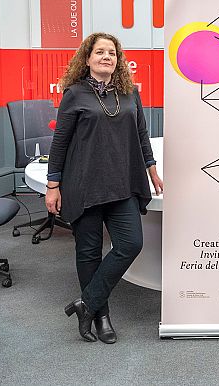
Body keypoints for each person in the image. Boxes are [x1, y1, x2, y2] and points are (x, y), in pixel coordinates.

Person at [46, 32, 163, 344]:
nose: (106, 57)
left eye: (111, 53)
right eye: (99, 52)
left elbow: (141, 135)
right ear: (88, 59)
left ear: (118, 60)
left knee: (130, 244)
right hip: (83, 184)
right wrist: (53, 185)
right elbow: (60, 142)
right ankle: (101, 317)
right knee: (88, 251)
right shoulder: (74, 94)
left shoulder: (129, 94)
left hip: (123, 184)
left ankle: (87, 303)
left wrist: (152, 171)